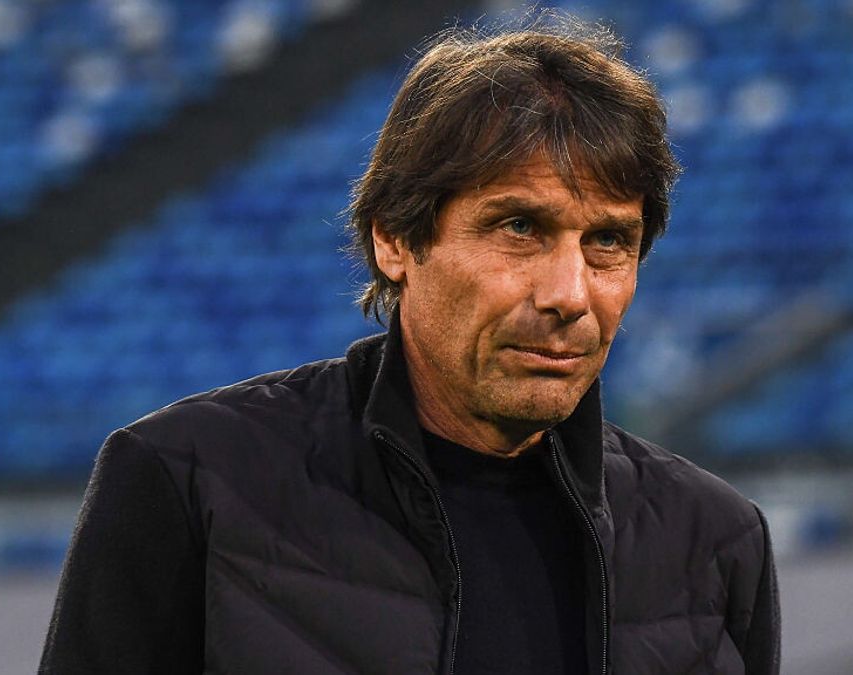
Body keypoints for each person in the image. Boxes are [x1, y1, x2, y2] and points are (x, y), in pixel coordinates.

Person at [40, 17, 780, 675]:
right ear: (394, 239)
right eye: (520, 228)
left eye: (608, 241)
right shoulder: (186, 485)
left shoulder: (716, 543)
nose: (570, 293)